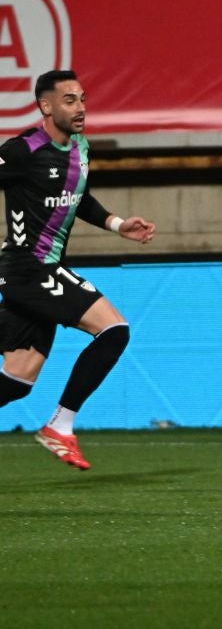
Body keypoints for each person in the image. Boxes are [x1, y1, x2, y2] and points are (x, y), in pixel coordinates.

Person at [0, 70, 157, 470]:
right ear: (46, 106)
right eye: (70, 100)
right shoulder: (23, 151)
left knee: (17, 382)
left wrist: (119, 225)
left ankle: (58, 426)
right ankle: (60, 427)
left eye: (83, 98)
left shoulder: (80, 149)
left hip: (42, 271)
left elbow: (79, 199)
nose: (81, 107)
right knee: (114, 329)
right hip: (29, 269)